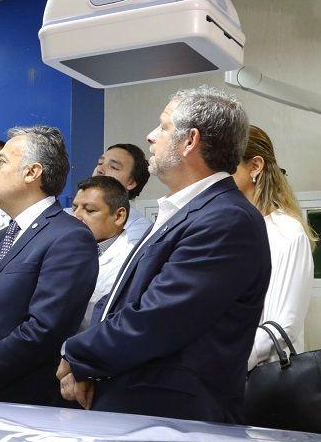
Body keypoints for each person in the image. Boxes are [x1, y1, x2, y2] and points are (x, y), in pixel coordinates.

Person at [58, 86, 272, 424]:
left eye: (163, 126)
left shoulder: (227, 219)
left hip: (173, 418)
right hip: (138, 406)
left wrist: (77, 354)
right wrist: (88, 364)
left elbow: (158, 318)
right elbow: (120, 301)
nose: (151, 136)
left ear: (190, 141)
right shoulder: (185, 211)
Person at [0, 126, 98, 406]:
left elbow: (42, 330)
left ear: (32, 172)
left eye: (1, 162)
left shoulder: (69, 237)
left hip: (23, 403)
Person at [232, 125, 316, 369]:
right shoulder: (230, 228)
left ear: (254, 167)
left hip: (259, 376)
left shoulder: (286, 232)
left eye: (225, 165)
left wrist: (227, 363)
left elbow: (283, 326)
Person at [70, 176, 131, 331]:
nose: (76, 216)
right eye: (74, 208)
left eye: (90, 210)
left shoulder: (129, 261)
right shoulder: (69, 250)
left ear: (119, 216)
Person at [92, 144, 152, 245]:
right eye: (100, 163)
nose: (100, 169)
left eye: (113, 167)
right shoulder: (69, 215)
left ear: (131, 182)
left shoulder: (140, 228)